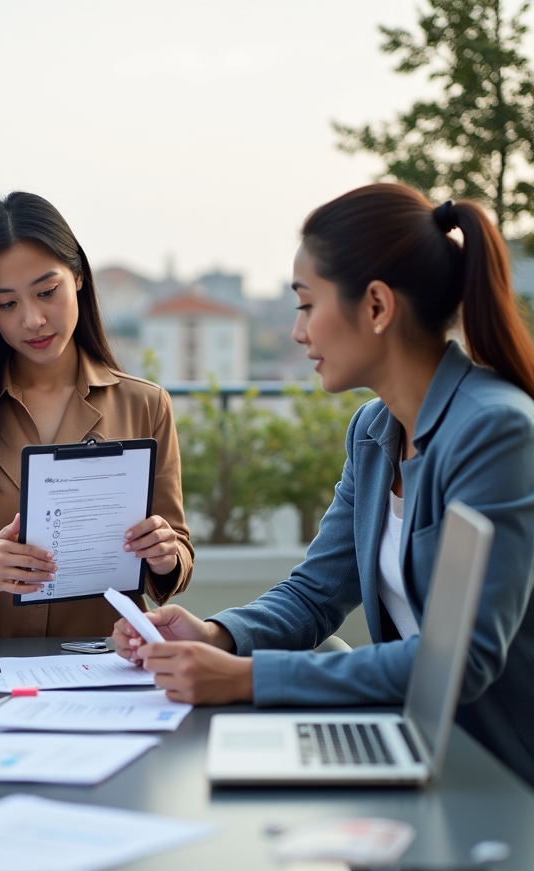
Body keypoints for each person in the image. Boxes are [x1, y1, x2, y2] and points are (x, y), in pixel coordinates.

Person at [112, 183, 534, 786]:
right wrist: (217, 636)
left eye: (307, 305)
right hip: (409, 748)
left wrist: (246, 679)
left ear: (378, 307)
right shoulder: (374, 430)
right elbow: (316, 593)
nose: (297, 332)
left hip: (495, 778)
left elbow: (461, 661)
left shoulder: (495, 431)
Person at [0, 192, 193, 639]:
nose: (33, 319)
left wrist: (166, 554)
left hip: (101, 664)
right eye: (7, 304)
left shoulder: (144, 405)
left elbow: (176, 552)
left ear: (77, 277)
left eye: (46, 292)